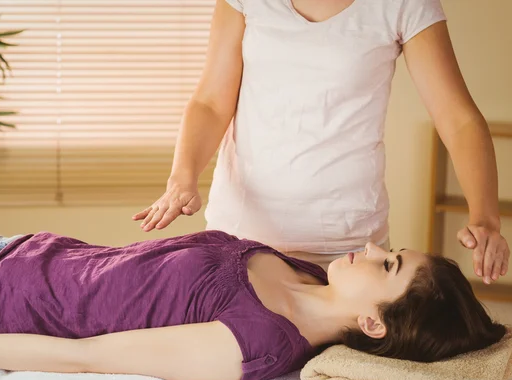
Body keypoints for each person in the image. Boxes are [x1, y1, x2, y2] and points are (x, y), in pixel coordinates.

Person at [132, 0, 509, 283]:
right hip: (238, 240)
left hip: (347, 257)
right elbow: (211, 103)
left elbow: (457, 119)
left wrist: (485, 218)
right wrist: (181, 178)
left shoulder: (402, 3)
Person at [0, 232, 506, 380]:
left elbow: (86, 357)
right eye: (392, 249)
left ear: (374, 323)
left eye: (388, 266)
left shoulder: (259, 340)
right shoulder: (303, 271)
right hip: (14, 251)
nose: (374, 248)